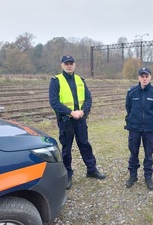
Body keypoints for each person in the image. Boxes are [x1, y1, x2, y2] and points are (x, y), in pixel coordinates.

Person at [49, 55, 106, 190]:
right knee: (66, 149)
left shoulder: (80, 80)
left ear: (74, 65)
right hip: (66, 121)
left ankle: (91, 170)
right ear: (62, 65)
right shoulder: (56, 80)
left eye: (71, 63)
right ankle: (67, 174)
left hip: (80, 120)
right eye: (66, 63)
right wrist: (71, 112)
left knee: (85, 145)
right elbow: (54, 102)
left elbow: (88, 98)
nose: (69, 65)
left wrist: (82, 111)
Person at [124, 67, 153, 190]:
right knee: (133, 152)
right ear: (139, 78)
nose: (144, 78)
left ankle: (148, 177)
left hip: (149, 129)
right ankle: (133, 175)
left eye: (146, 76)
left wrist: (151, 119)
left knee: (149, 153)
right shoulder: (131, 92)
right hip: (134, 127)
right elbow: (128, 107)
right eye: (142, 76)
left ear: (150, 77)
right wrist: (133, 118)